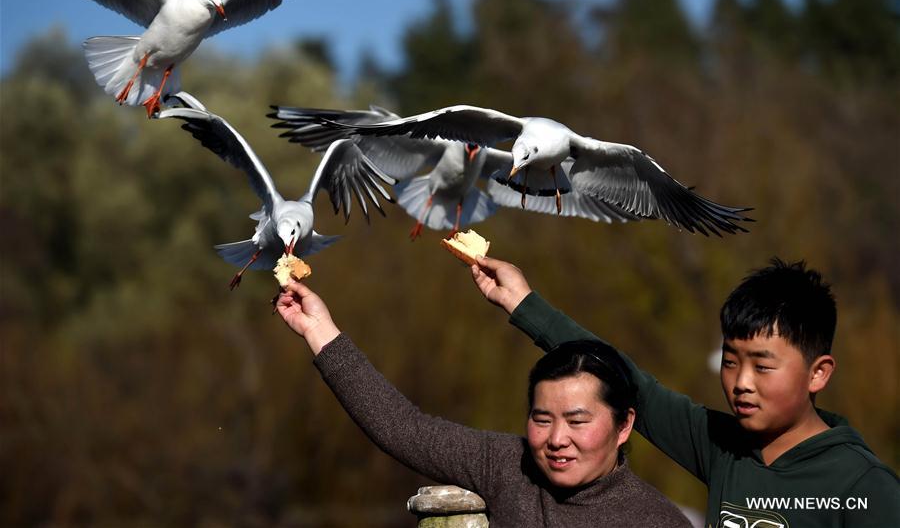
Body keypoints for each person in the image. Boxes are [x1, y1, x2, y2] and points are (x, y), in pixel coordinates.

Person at [469, 255, 900, 528]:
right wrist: (525, 305)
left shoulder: (863, 484)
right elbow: (629, 381)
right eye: (730, 361)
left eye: (763, 366)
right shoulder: (723, 447)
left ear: (818, 374)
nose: (741, 381)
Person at [275, 279, 692, 527]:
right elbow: (402, 429)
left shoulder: (653, 519)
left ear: (624, 426)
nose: (557, 439)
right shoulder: (507, 465)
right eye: (542, 418)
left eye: (577, 420)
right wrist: (318, 331)